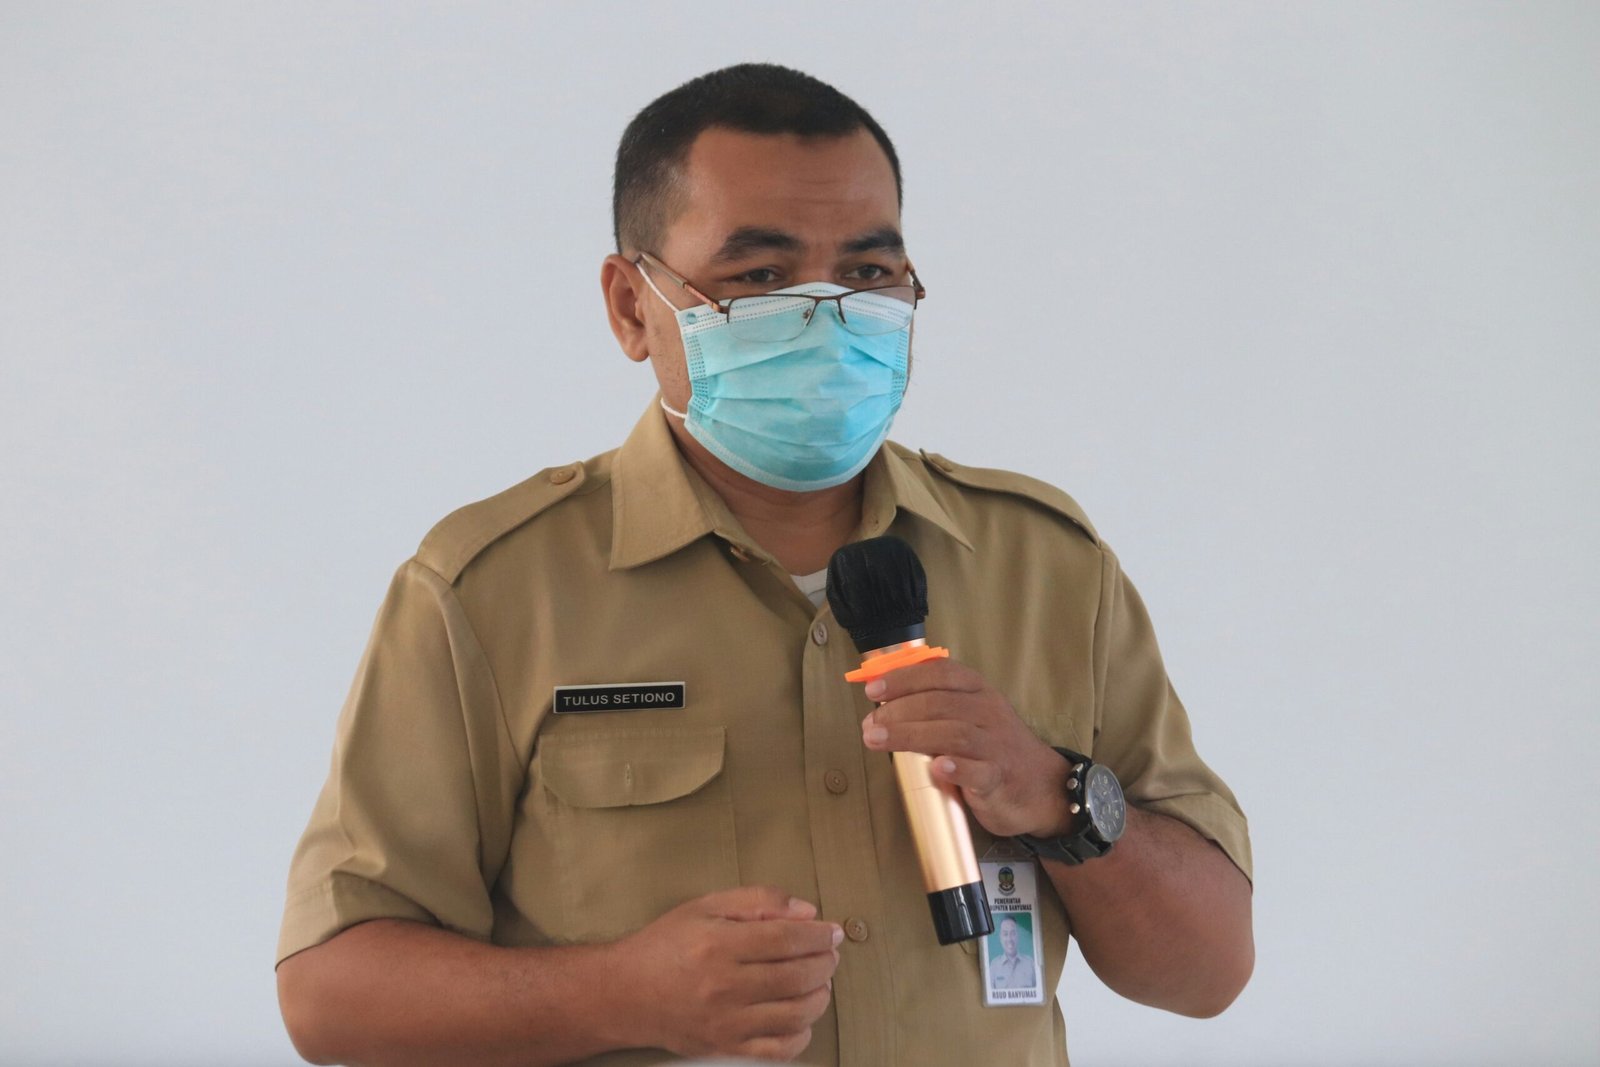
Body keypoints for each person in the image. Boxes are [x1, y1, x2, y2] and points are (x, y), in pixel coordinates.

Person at [275, 63, 1254, 1067]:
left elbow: (1206, 970)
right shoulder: (489, 590)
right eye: (760, 278)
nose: (826, 314)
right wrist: (616, 992)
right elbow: (331, 994)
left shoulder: (1049, 566)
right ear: (629, 305)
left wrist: (1058, 795)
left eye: (868, 274)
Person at [990, 917, 1039, 991]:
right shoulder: (994, 966)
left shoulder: (1030, 963)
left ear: (1018, 935)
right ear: (1000, 938)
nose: (1009, 939)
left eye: (1013, 933)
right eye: (1005, 934)